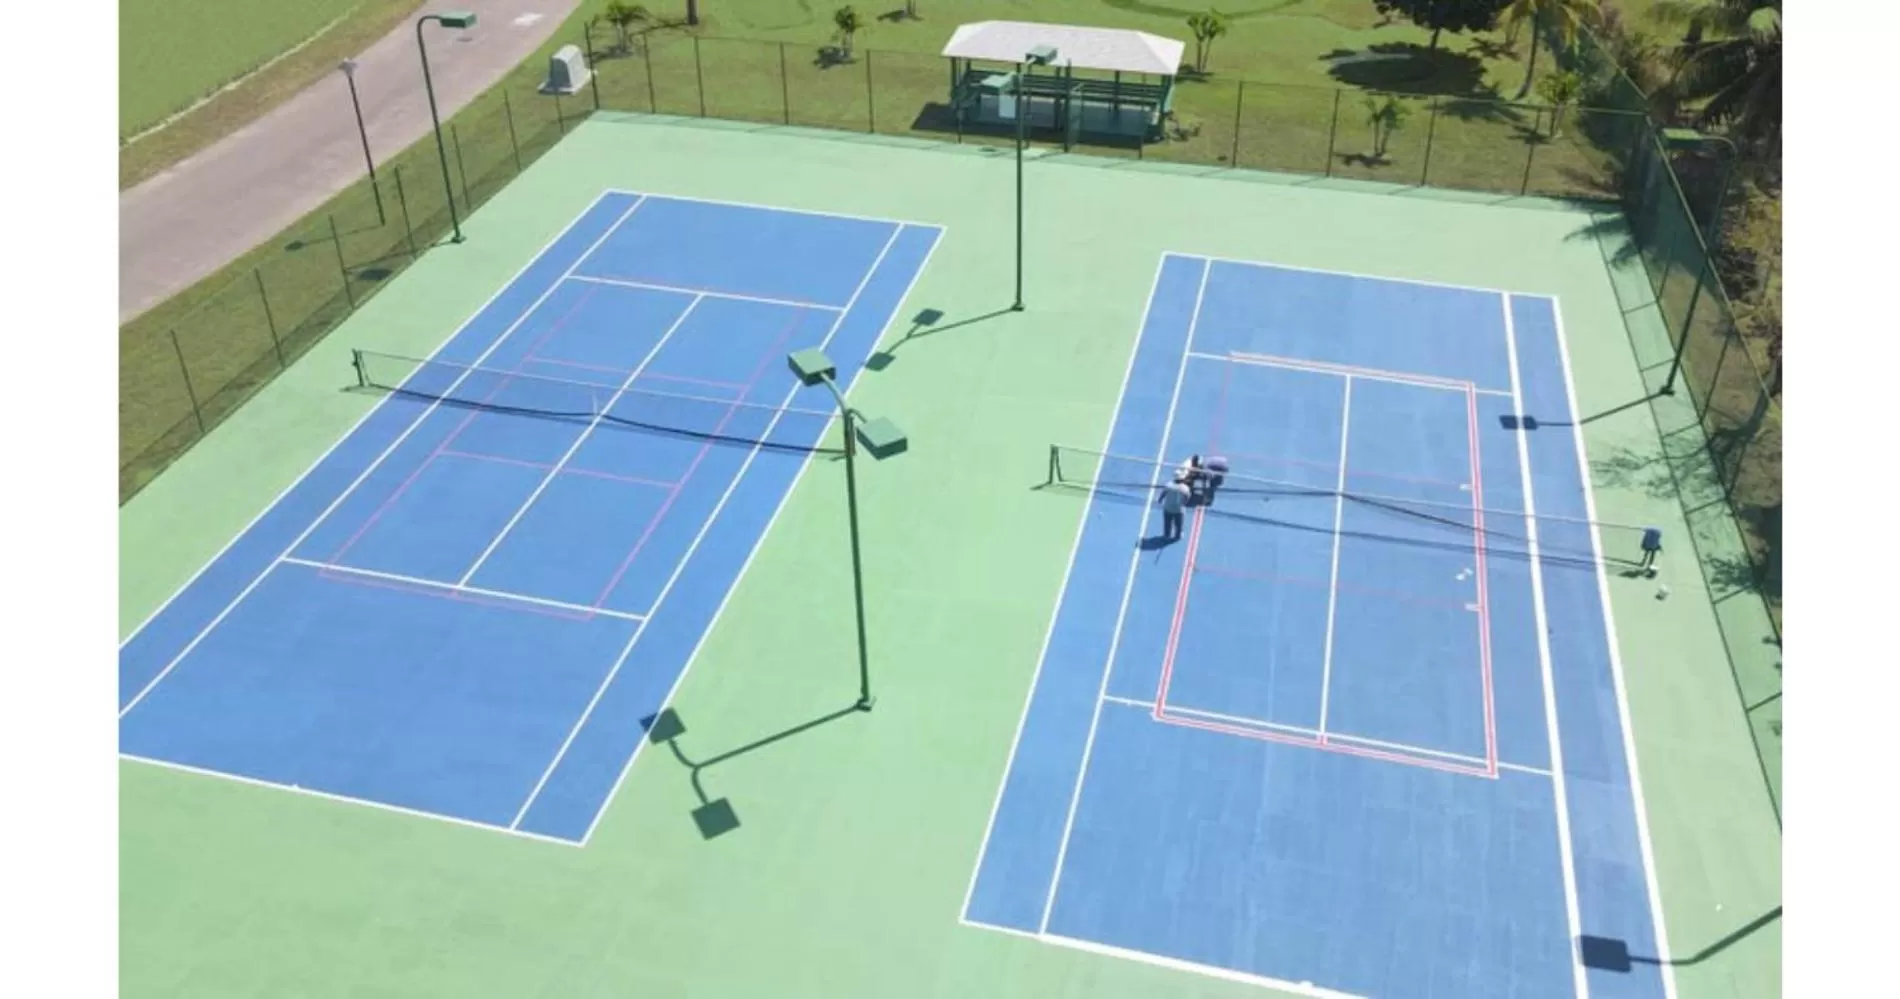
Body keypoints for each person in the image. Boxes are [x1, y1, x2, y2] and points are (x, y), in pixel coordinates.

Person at [1158, 475, 1191, 541]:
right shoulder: (1185, 488)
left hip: (1168, 508)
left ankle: (1167, 535)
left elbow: (1163, 494)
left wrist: (1160, 500)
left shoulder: (1168, 486)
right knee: (1179, 524)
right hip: (1179, 510)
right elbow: (1187, 497)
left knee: (1167, 523)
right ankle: (1178, 536)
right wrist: (1184, 503)